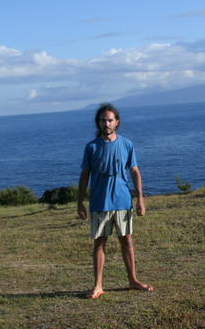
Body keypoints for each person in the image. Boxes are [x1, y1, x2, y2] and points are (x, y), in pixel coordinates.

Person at [77, 103, 154, 299]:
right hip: (99, 202)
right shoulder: (92, 147)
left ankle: (133, 280)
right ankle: (98, 286)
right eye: (103, 120)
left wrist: (140, 200)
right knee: (100, 242)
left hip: (122, 200)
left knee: (126, 240)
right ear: (99, 122)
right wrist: (80, 202)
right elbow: (84, 175)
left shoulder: (127, 144)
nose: (107, 123)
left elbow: (134, 171)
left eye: (110, 120)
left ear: (117, 122)